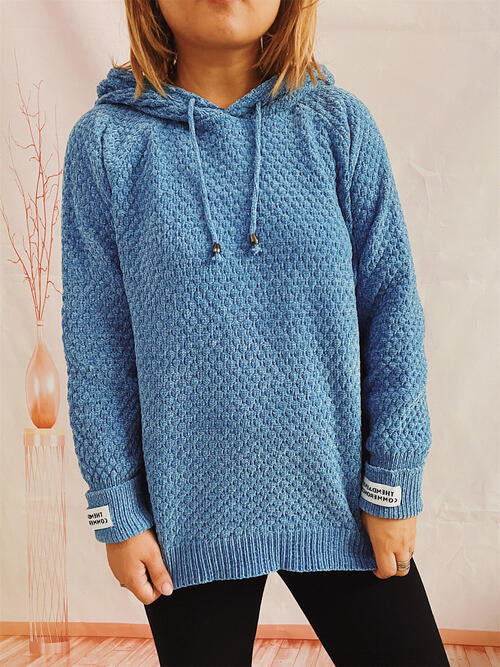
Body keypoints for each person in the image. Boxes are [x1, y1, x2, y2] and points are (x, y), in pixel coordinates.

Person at [60, 0, 450, 665]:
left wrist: (394, 477)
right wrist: (114, 510)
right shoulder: (106, 146)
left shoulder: (338, 126)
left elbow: (393, 310)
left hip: (343, 503)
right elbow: (97, 345)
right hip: (186, 526)